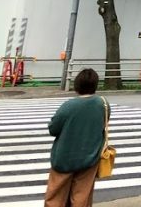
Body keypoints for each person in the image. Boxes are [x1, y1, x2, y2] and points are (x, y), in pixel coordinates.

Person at [44, 68, 107, 207]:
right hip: (90, 157)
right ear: (95, 85)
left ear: (77, 84)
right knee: (81, 197)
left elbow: (53, 129)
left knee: (56, 197)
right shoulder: (103, 104)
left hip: (65, 158)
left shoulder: (69, 106)